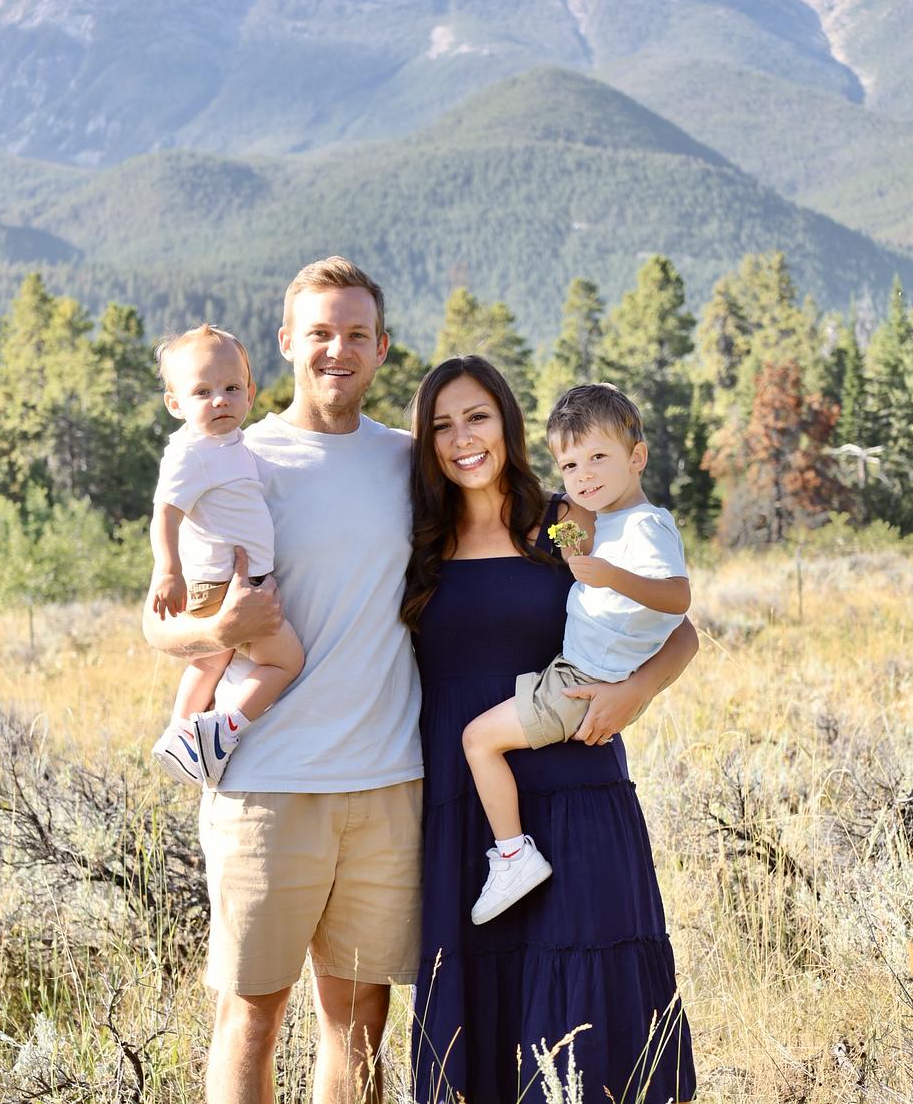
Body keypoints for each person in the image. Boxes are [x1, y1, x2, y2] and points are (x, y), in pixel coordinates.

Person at [142, 257, 422, 1104]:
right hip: (265, 786)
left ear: (381, 347)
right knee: (252, 1018)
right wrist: (218, 632)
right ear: (286, 344)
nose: (339, 349)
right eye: (320, 333)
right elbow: (157, 624)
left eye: (357, 334)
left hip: (386, 783)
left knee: (360, 1024)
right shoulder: (233, 454)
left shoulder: (412, 463)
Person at [402, 355, 697, 1104]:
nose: (463, 438)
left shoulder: (565, 520)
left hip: (575, 783)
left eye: (478, 417)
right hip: (467, 801)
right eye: (442, 425)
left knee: (585, 994)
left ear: (508, 422)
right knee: (478, 996)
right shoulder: (418, 539)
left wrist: (635, 692)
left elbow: (679, 626)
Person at [461, 382, 690, 924]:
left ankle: (512, 856)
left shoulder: (646, 524)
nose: (583, 475)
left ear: (637, 458)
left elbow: (678, 599)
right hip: (577, 671)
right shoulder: (608, 521)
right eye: (569, 466)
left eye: (597, 458)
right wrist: (580, 557)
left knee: (478, 740)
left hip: (579, 682)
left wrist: (610, 575)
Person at [149, 324, 304, 787]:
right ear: (175, 404)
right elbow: (165, 514)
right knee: (285, 662)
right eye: (203, 392)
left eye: (231, 388)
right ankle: (224, 728)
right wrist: (168, 570)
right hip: (226, 584)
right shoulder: (191, 453)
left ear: (250, 394)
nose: (219, 400)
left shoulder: (232, 444)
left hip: (226, 580)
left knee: (210, 662)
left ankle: (181, 734)